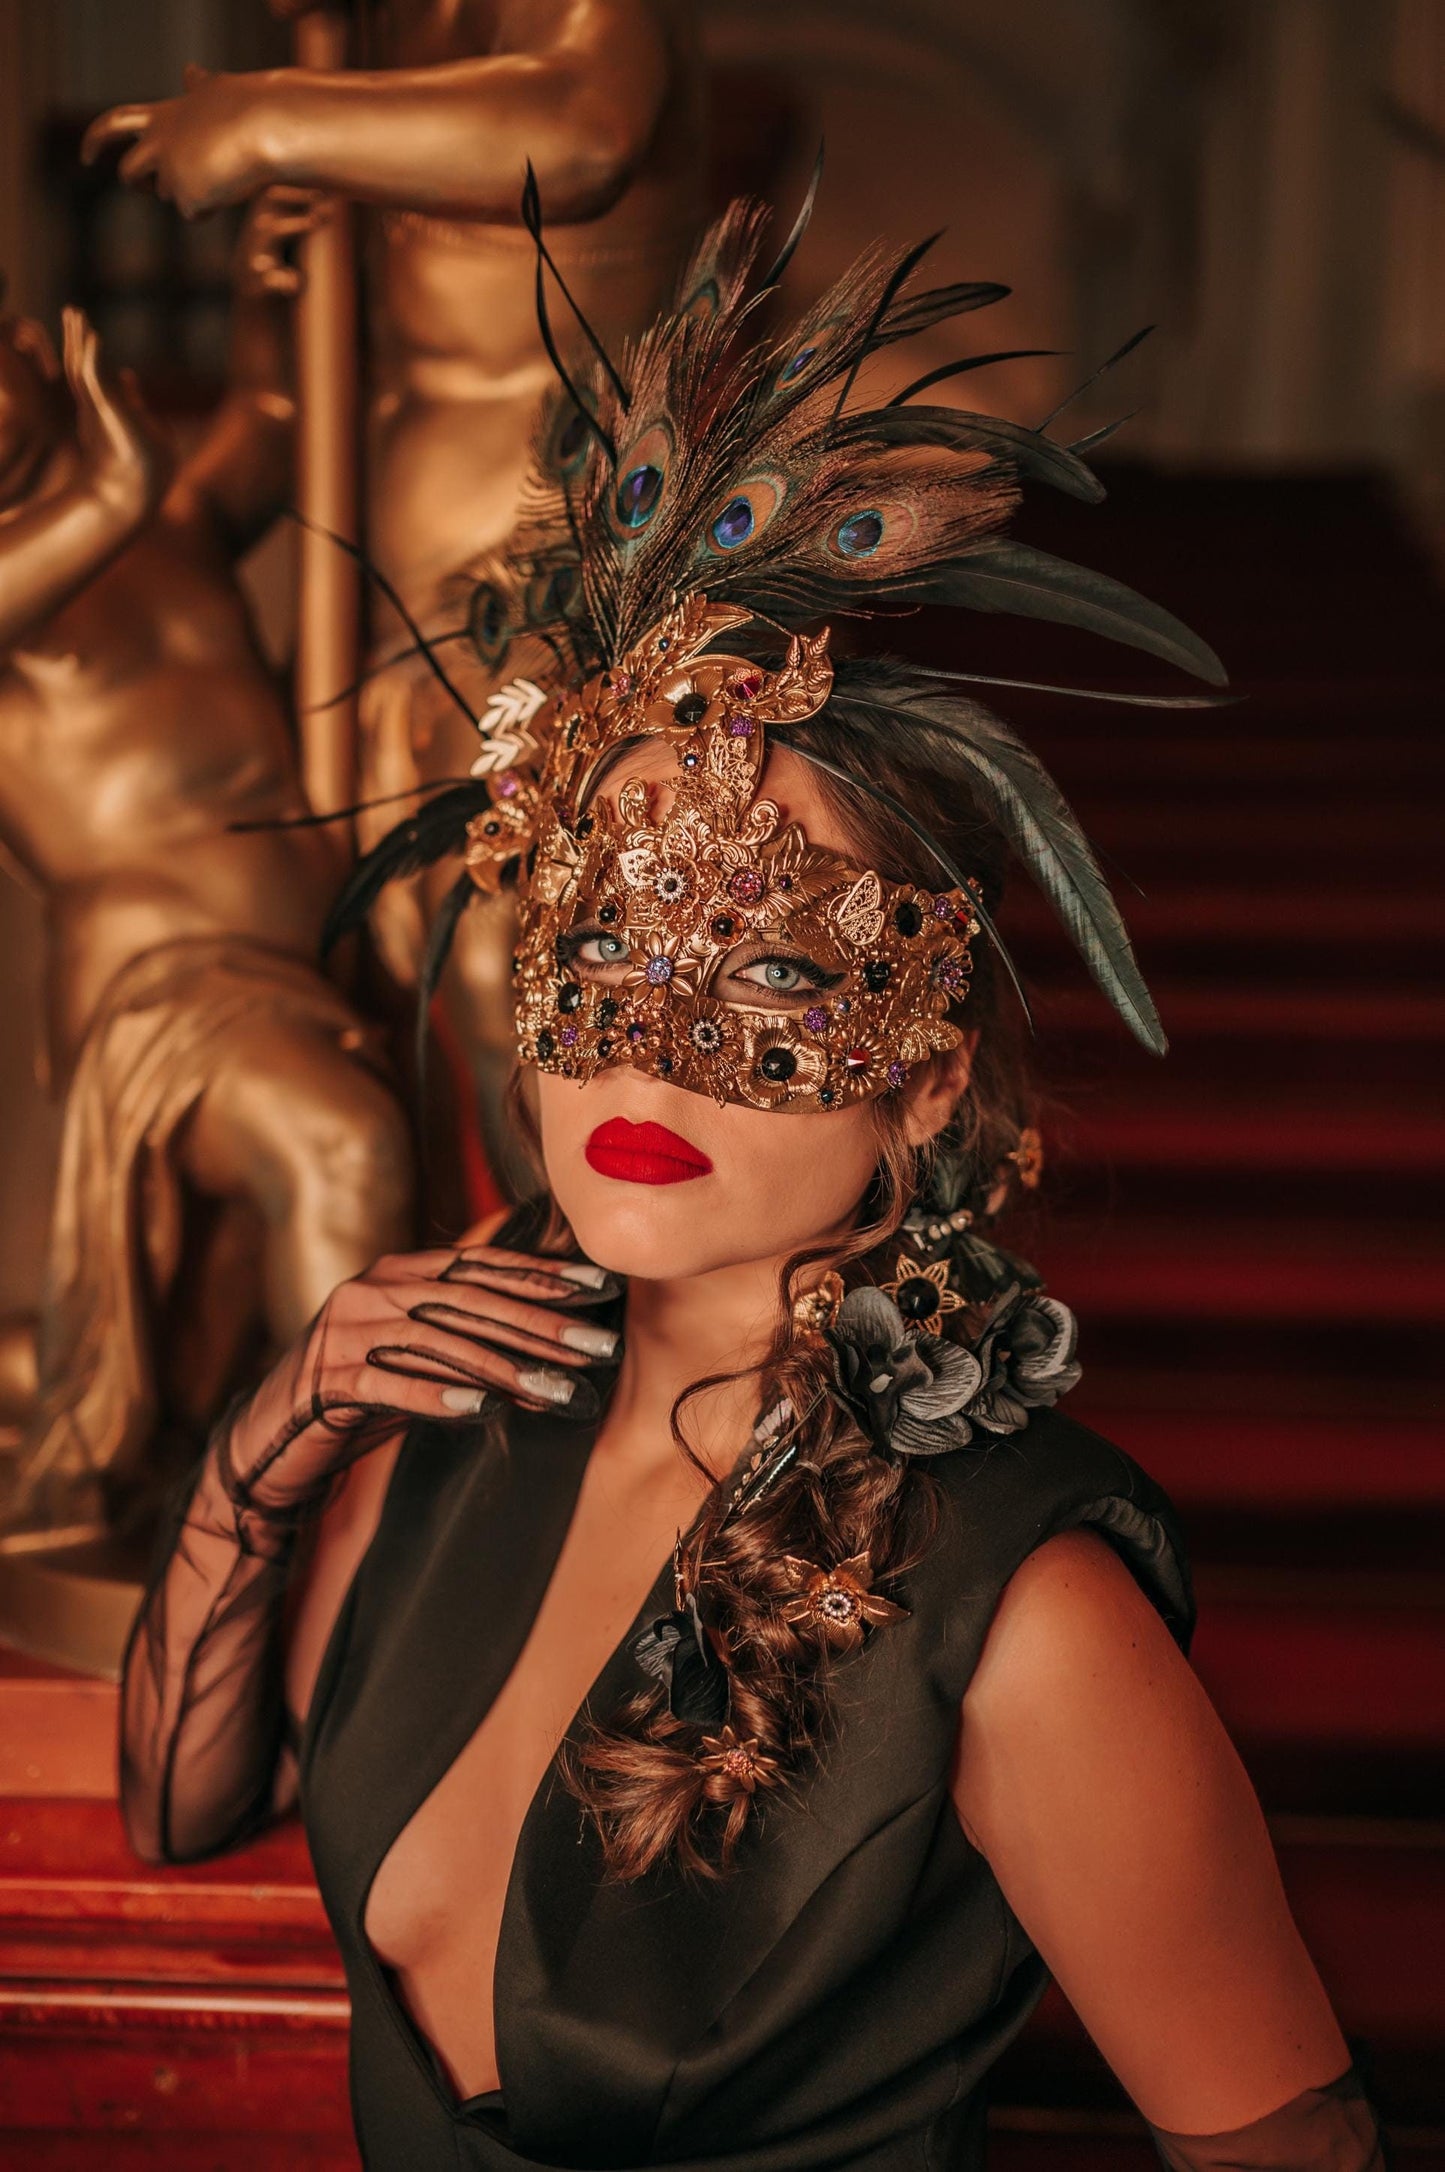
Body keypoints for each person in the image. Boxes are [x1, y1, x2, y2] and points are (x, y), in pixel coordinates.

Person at [118, 199, 1385, 2168]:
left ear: (925, 1079)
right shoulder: (437, 1442)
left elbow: (1286, 2153)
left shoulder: (1020, 1615)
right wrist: (268, 1438)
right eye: (607, 957)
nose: (650, 1047)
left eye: (775, 974)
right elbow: (180, 1813)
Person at [82, 0, 705, 1162]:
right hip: (394, 630)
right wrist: (270, 337)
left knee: (513, 978)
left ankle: (596, 1316)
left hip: (556, 604)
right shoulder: (387, 48)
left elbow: (584, 131)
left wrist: (277, 116)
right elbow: (277, 443)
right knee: (404, 997)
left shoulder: (570, 19)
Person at [0, 204, 411, 1534]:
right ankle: (359, 1540)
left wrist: (266, 282)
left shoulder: (167, 520)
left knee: (250, 1331)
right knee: (335, 1152)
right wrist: (108, 495)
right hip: (165, 1001)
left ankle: (299, 1496)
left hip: (321, 957)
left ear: (23, 344)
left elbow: (289, 416)